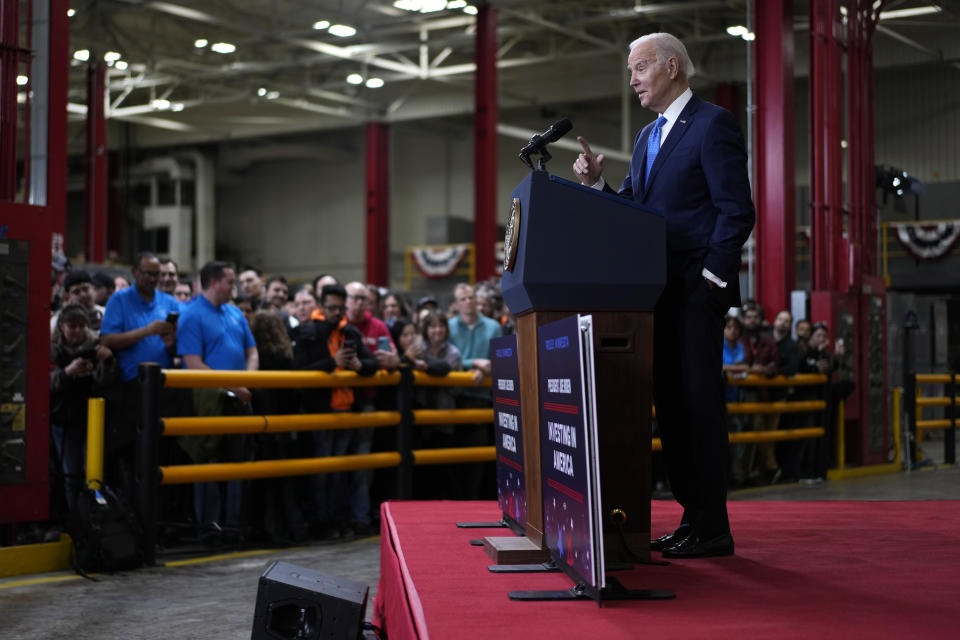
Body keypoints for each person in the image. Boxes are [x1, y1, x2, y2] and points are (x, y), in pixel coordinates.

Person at [573, 32, 754, 558]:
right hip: (656, 293)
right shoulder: (648, 137)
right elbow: (634, 213)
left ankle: (713, 526)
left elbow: (736, 210)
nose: (631, 79)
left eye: (639, 68)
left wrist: (711, 282)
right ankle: (691, 518)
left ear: (672, 67)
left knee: (698, 403)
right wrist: (596, 188)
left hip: (696, 290)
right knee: (671, 409)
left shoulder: (712, 124)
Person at [177, 261, 259, 544]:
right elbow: (193, 363)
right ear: (213, 282)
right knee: (208, 464)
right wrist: (235, 386)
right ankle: (210, 529)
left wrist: (248, 380)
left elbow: (252, 350)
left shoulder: (235, 313)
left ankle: (233, 527)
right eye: (229, 282)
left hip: (239, 398)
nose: (233, 287)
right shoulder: (192, 316)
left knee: (237, 465)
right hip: (209, 402)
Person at [293, 283, 377, 538]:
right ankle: (320, 522)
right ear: (321, 306)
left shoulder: (349, 332)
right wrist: (333, 362)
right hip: (319, 411)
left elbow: (371, 364)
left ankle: (336, 519)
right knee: (321, 472)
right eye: (331, 308)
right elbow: (297, 371)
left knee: (339, 471)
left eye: (341, 308)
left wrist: (359, 364)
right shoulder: (306, 332)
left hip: (346, 410)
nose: (336, 312)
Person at [99, 252, 182, 498]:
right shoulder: (120, 301)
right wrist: (147, 331)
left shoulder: (169, 302)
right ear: (134, 272)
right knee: (136, 452)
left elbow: (179, 347)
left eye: (156, 275)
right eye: (148, 274)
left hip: (165, 384)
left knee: (164, 451)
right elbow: (107, 340)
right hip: (132, 387)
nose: (153, 279)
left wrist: (170, 343)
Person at [50, 305, 116, 514]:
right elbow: (46, 384)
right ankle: (75, 518)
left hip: (93, 420)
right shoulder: (52, 351)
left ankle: (94, 517)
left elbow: (106, 382)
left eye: (81, 326)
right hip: (64, 421)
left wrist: (107, 362)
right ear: (61, 327)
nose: (77, 331)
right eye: (72, 326)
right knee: (71, 473)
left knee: (95, 472)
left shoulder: (96, 348)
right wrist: (67, 373)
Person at [447, 283, 502, 498]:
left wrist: (486, 367)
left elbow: (498, 358)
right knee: (452, 456)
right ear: (456, 304)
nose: (468, 302)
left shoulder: (493, 327)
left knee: (477, 457)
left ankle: (472, 498)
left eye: (470, 297)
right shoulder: (449, 326)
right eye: (463, 299)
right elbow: (450, 359)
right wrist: (476, 363)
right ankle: (455, 499)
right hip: (453, 397)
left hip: (480, 396)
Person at [50, 270, 105, 336]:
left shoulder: (106, 313)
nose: (83, 295)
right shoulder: (58, 320)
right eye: (76, 292)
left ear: (93, 288)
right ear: (68, 297)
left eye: (85, 289)